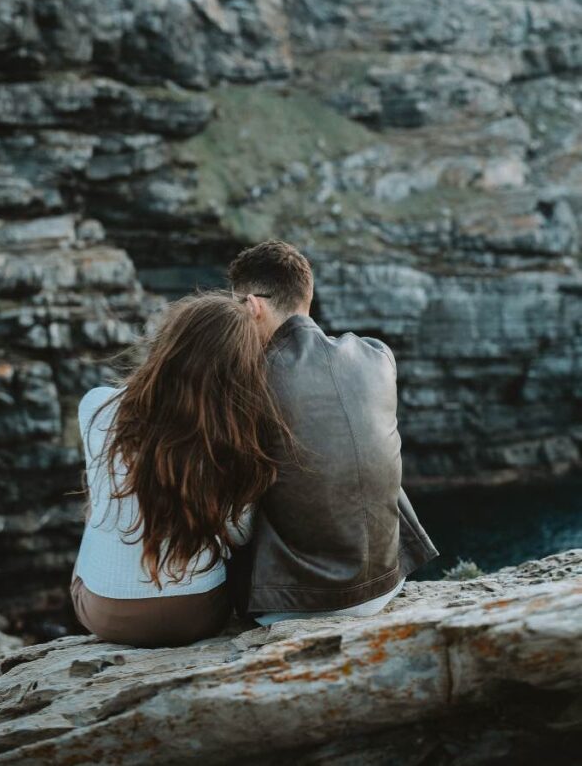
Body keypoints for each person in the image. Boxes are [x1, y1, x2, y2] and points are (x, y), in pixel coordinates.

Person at [226, 239, 438, 625]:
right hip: (387, 584)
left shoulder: (248, 384)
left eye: (234, 307)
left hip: (296, 605)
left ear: (253, 307)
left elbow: (236, 531)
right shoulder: (377, 355)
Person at [70, 292, 285, 647]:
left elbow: (102, 501)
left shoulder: (96, 405)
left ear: (168, 344)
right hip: (196, 615)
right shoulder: (237, 438)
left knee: (99, 503)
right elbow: (240, 536)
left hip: (103, 613)